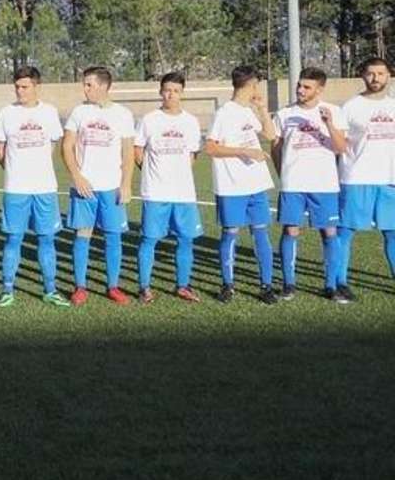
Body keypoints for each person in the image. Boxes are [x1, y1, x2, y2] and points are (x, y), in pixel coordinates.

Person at [0, 66, 69, 308]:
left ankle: (50, 289)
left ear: (37, 87)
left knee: (46, 239)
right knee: (13, 238)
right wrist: (13, 169)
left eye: (25, 87)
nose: (20, 91)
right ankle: (6, 290)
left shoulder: (49, 112)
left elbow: (53, 144)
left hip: (44, 188)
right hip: (16, 189)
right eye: (17, 87)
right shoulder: (6, 113)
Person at [61, 66, 136, 305]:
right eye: (84, 84)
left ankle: (113, 286)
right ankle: (80, 286)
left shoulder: (123, 114)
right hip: (85, 188)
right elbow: (67, 147)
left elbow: (127, 152)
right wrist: (77, 176)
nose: (84, 89)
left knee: (113, 237)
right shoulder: (79, 112)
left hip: (112, 187)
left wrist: (126, 184)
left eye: (88, 84)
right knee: (82, 235)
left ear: (103, 86)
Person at [272, 67, 346, 302]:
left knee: (329, 232)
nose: (300, 90)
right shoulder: (284, 114)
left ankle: (331, 285)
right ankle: (289, 284)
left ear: (319, 89)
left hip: (324, 184)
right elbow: (276, 147)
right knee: (291, 230)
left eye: (306, 87)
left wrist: (330, 125)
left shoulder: (334, 111)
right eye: (299, 85)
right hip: (293, 183)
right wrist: (282, 172)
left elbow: (341, 148)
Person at [206, 65, 279, 303]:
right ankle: (228, 285)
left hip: (256, 185)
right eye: (257, 84)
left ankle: (266, 286)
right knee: (231, 233)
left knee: (261, 233)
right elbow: (211, 147)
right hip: (231, 186)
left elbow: (270, 135)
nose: (257, 89)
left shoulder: (248, 111)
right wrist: (243, 151)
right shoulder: (224, 113)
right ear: (251, 85)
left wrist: (262, 109)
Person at [135, 72, 204, 303]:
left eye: (175, 90)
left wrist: (179, 174)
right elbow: (137, 150)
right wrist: (151, 172)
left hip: (184, 193)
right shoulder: (149, 119)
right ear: (160, 92)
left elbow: (193, 155)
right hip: (155, 192)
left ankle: (182, 286)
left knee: (186, 240)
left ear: (182, 93)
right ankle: (144, 287)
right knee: (149, 239)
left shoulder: (191, 121)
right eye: (167, 90)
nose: (170, 94)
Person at [333, 57, 395, 301]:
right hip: (357, 177)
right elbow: (339, 144)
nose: (375, 78)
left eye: (380, 73)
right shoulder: (350, 106)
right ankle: (340, 282)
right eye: (371, 74)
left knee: (392, 233)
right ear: (363, 75)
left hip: (390, 179)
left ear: (389, 75)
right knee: (345, 231)